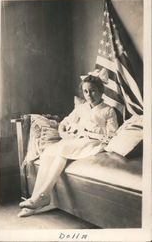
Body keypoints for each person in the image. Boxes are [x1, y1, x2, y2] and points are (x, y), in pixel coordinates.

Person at [18, 73, 118, 217]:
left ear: (101, 91)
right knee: (50, 151)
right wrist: (63, 133)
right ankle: (37, 199)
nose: (89, 94)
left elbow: (112, 135)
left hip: (94, 143)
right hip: (77, 140)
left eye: (93, 90)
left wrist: (89, 133)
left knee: (62, 150)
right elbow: (65, 122)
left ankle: (40, 198)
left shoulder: (108, 110)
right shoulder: (82, 108)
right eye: (85, 91)